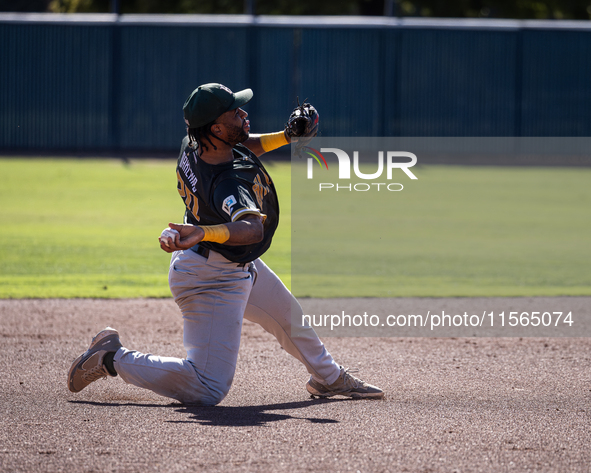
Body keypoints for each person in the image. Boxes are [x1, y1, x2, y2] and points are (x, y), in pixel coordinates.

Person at [68, 83, 383, 405]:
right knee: (207, 387)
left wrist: (287, 137)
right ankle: (110, 358)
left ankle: (328, 379)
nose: (244, 113)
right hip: (211, 277)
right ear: (216, 127)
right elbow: (251, 229)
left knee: (291, 320)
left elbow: (247, 147)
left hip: (224, 260)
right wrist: (205, 232)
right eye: (235, 112)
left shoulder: (195, 144)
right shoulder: (227, 183)